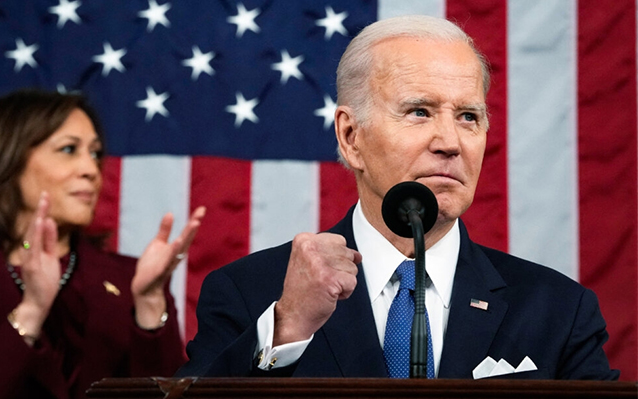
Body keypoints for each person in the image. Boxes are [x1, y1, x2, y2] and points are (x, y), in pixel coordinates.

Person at [176, 15, 619, 380]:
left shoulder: (558, 310)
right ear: (351, 137)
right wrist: (289, 328)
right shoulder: (250, 293)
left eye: (468, 116)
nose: (450, 141)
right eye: (419, 111)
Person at [0, 89, 207, 398]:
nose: (91, 169)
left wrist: (150, 303)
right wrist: (31, 312)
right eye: (68, 149)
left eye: (95, 153)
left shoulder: (131, 280)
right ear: (5, 159)